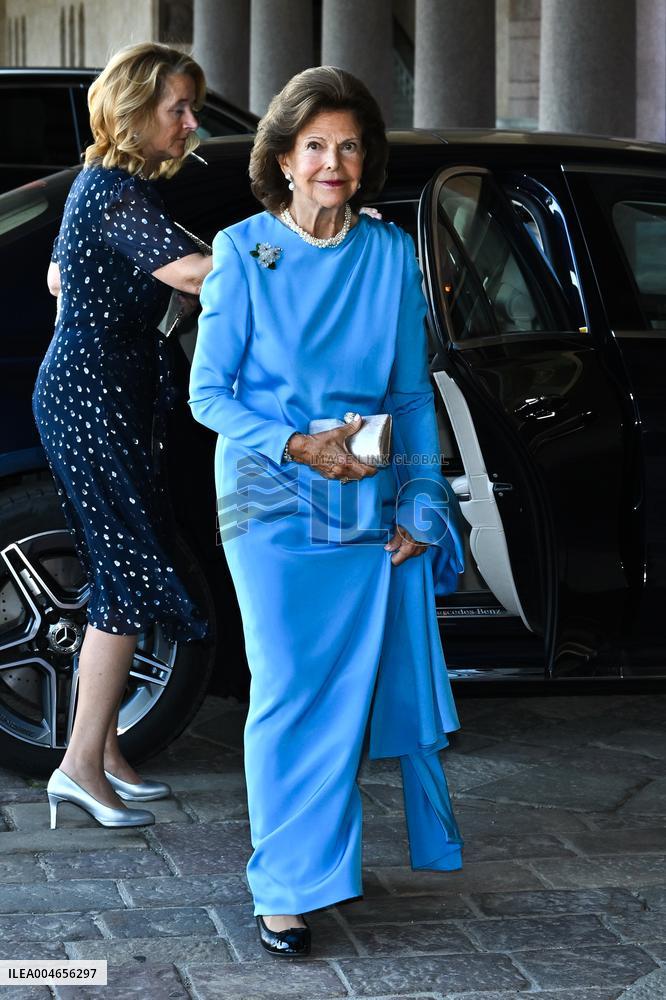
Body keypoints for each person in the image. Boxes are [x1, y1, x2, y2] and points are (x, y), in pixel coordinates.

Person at [189, 66, 465, 958]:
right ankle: (284, 884)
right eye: (314, 146)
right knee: (287, 685)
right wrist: (296, 444)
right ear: (283, 155)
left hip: (365, 491)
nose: (332, 163)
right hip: (269, 493)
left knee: (342, 695)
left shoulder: (388, 254)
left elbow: (411, 392)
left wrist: (424, 496)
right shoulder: (240, 251)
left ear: (365, 157)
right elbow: (208, 395)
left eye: (347, 146)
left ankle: (314, 870)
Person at [33, 43, 213, 830]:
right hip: (92, 398)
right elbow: (196, 274)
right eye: (178, 108)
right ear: (137, 111)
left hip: (100, 394)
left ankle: (102, 753)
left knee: (121, 567)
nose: (191, 123)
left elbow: (56, 276)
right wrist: (310, 255)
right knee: (127, 572)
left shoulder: (111, 189)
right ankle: (77, 766)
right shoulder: (111, 192)